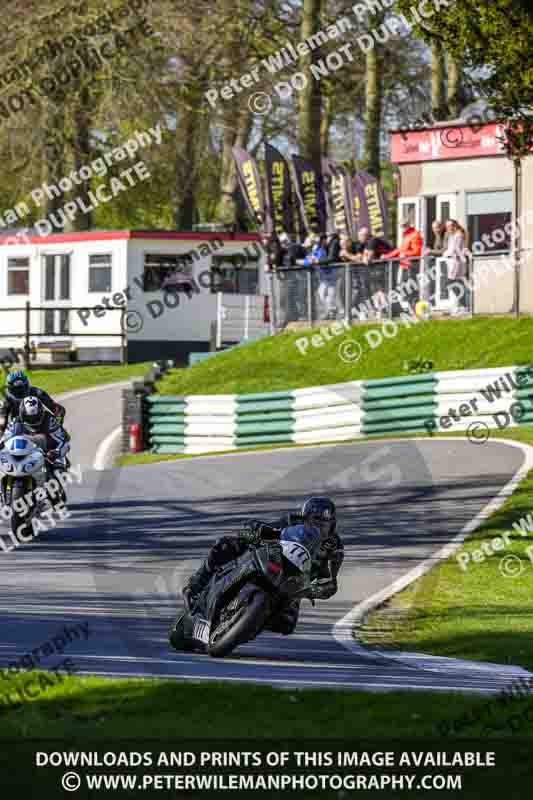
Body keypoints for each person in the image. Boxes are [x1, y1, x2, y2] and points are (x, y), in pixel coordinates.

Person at [181, 497, 344, 636]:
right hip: (274, 561)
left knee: (286, 624)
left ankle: (247, 624)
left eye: (324, 525)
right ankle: (195, 585)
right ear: (304, 519)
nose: (319, 528)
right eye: (314, 522)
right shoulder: (291, 522)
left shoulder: (334, 547)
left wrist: (321, 589)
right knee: (225, 545)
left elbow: (330, 581)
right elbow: (268, 529)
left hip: (295, 584)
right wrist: (253, 531)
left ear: (332, 525)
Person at [0, 370, 66, 437]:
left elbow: (56, 408)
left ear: (27, 385)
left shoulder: (37, 392)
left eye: (21, 388)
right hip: (19, 429)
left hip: (42, 425)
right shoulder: (6, 400)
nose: (19, 391)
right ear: (9, 388)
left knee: (62, 436)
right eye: (16, 389)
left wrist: (58, 422)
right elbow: (2, 420)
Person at [381, 218, 423, 312]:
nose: (402, 227)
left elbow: (417, 251)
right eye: (401, 225)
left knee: (411, 288)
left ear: (409, 224)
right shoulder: (406, 235)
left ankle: (416, 309)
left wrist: (406, 254)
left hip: (411, 265)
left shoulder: (415, 235)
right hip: (404, 265)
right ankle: (412, 308)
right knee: (405, 288)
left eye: (404, 225)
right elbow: (400, 250)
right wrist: (387, 256)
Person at [443, 219, 469, 314]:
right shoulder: (452, 235)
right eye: (446, 227)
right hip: (452, 261)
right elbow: (448, 248)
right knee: (454, 283)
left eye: (449, 226)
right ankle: (459, 306)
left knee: (450, 283)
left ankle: (462, 306)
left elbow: (455, 249)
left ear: (454, 226)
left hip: (455, 261)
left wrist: (445, 254)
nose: (447, 228)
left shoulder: (458, 235)